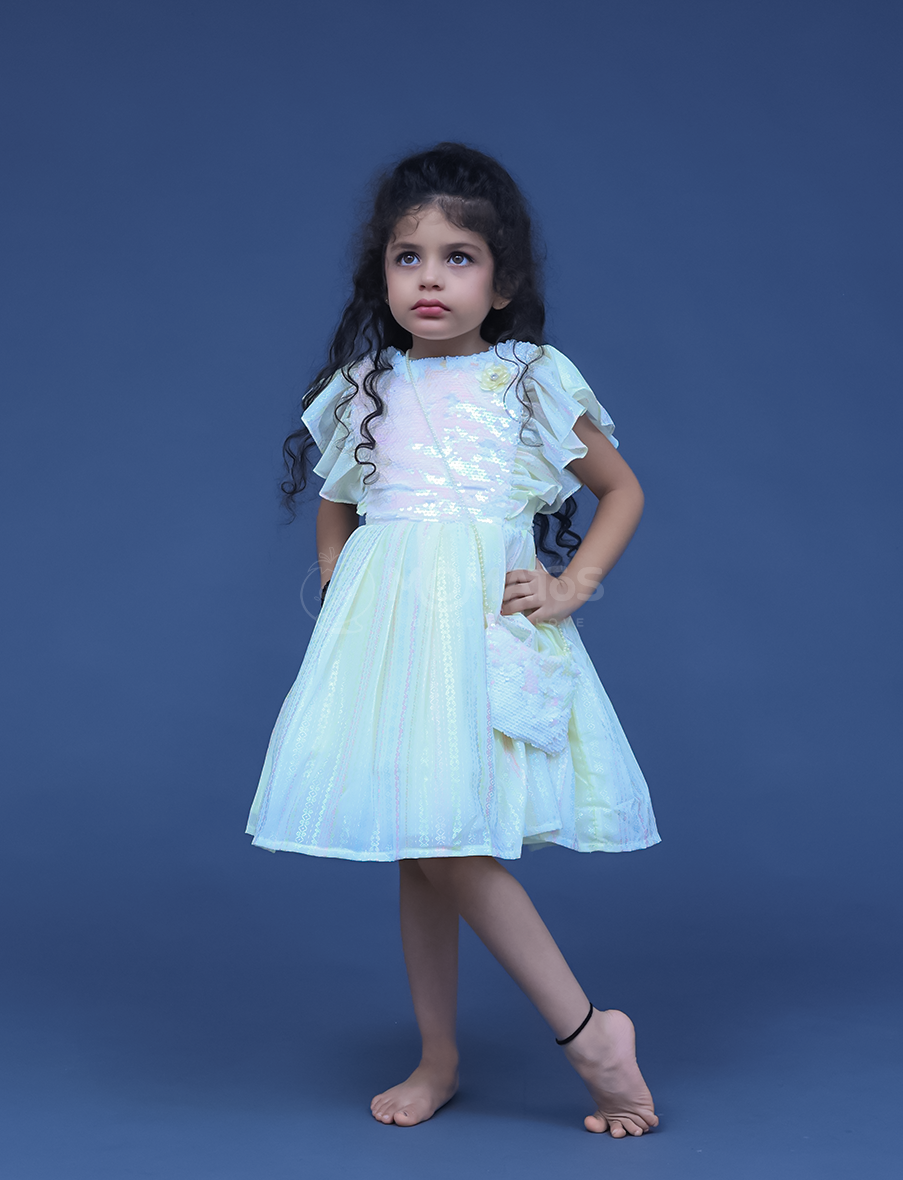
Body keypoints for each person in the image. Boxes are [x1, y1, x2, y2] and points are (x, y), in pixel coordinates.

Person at [246, 142, 661, 1138]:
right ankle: (437, 1057)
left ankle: (592, 1036)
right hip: (390, 645)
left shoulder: (526, 379)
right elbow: (339, 500)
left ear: (502, 282)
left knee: (447, 840)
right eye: (409, 257)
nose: (429, 278)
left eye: (458, 257)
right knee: (417, 845)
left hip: (475, 637)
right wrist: (345, 582)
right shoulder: (366, 387)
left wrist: (570, 585)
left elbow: (621, 490)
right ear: (382, 276)